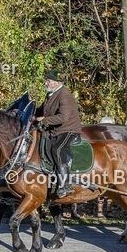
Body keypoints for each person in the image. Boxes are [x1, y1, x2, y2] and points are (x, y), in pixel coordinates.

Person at [35, 70, 83, 198]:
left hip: (68, 130)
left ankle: (65, 185)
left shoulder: (64, 94)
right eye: (46, 80)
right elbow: (41, 110)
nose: (46, 83)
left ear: (56, 83)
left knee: (57, 149)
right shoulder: (51, 94)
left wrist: (44, 120)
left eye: (48, 81)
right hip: (55, 131)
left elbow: (63, 117)